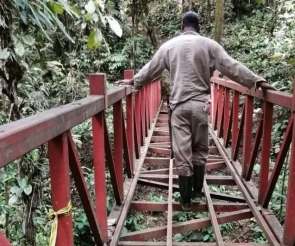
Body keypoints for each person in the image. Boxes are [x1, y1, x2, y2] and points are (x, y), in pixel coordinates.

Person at [117, 11, 275, 210]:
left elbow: (151, 69)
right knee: (200, 148)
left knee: (183, 152)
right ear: (198, 27)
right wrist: (256, 80)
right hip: (200, 105)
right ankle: (198, 192)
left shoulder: (168, 46)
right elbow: (231, 67)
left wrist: (133, 82)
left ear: (182, 26)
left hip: (179, 106)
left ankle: (184, 200)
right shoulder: (210, 45)